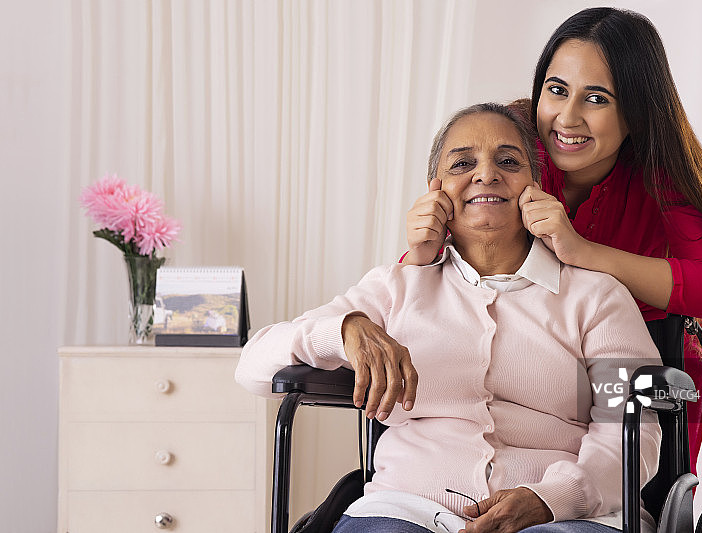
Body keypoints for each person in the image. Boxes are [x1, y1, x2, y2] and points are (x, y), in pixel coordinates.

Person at [237, 103, 662, 533]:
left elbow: (633, 436)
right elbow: (252, 367)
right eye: (463, 163)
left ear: (534, 187)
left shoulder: (597, 296)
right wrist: (344, 330)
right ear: (435, 192)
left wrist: (552, 498)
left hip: (565, 517)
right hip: (405, 509)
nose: (486, 174)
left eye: (508, 161)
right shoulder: (396, 286)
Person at [403, 7, 702, 476]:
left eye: (596, 98)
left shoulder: (658, 167)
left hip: (634, 351)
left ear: (636, 111)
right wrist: (420, 249)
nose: (566, 119)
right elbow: (420, 276)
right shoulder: (511, 142)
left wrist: (584, 254)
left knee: (619, 475)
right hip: (522, 337)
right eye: (556, 91)